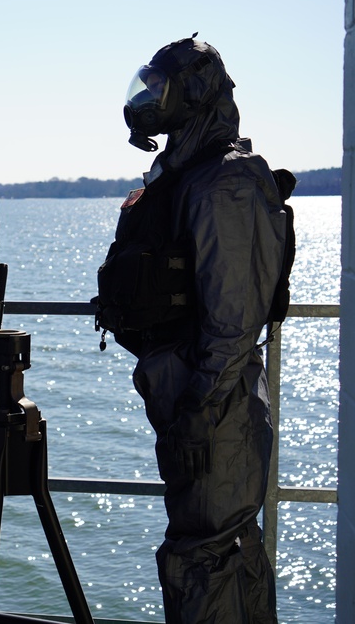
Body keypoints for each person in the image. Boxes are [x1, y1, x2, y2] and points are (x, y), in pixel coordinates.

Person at [99, 35, 287, 622]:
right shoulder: (190, 174)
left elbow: (233, 323)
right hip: (191, 400)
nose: (149, 100)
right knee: (214, 549)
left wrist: (198, 411)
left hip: (215, 410)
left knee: (205, 555)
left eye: (161, 90)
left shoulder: (225, 181)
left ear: (195, 97)